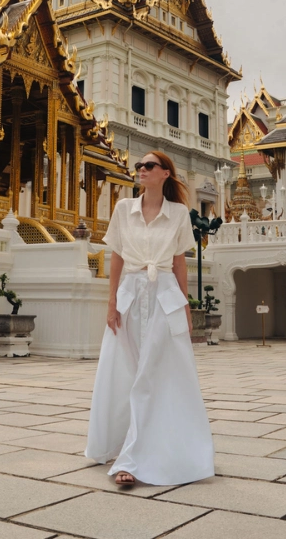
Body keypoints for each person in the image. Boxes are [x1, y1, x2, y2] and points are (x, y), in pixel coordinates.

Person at [85, 151, 215, 486]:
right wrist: (111, 301)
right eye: (139, 166)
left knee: (159, 374)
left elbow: (180, 261)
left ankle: (138, 455)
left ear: (165, 174)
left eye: (149, 166)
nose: (141, 170)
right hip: (130, 294)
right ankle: (122, 443)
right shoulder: (123, 209)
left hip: (165, 296)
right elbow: (115, 256)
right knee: (125, 371)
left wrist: (186, 304)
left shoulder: (178, 214)